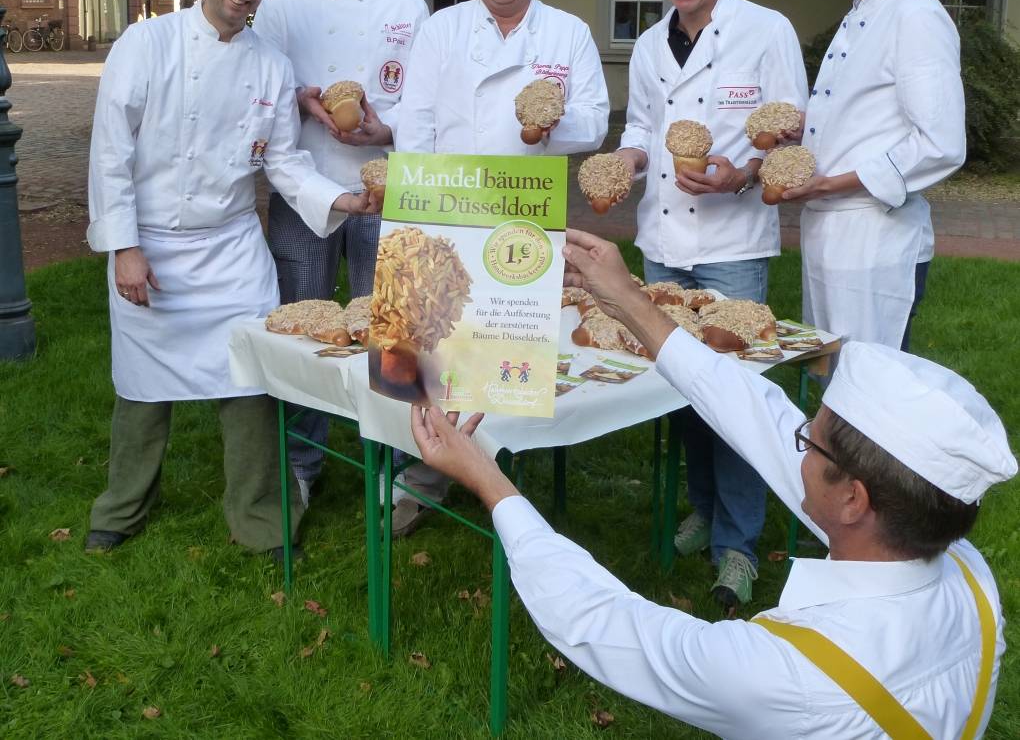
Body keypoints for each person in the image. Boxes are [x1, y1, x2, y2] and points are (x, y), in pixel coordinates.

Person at [409, 228, 1016, 739]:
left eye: (811, 437)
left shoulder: (787, 673)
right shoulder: (966, 573)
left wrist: (490, 482)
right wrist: (628, 299)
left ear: (855, 499)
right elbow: (759, 415)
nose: (794, 439)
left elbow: (603, 622)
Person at [85, 0, 376, 557]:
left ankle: (261, 520)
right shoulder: (147, 42)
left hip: (232, 250)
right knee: (141, 387)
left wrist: (343, 199)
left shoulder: (270, 66)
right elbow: (111, 151)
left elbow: (284, 162)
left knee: (248, 385)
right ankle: (122, 506)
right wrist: (124, 246)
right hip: (153, 244)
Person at [384, 0, 610, 535]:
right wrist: (417, 209)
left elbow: (594, 120)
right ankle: (420, 479)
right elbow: (416, 121)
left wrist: (547, 121)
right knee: (437, 348)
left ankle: (504, 477)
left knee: (512, 347)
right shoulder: (443, 29)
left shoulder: (567, 33)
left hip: (525, 215)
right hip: (449, 210)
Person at [615, 0, 808, 608]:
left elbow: (789, 126)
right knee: (684, 392)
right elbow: (642, 124)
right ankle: (703, 506)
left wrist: (743, 173)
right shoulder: (647, 44)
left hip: (732, 247)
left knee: (736, 399)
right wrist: (628, 159)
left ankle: (738, 545)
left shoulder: (766, 29)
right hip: (663, 241)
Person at [253, 0, 429, 504]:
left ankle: (391, 460)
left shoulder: (409, 7)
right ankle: (302, 459)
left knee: (388, 328)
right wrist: (304, 95)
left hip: (385, 183)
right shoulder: (282, 5)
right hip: (304, 181)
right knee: (304, 323)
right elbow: (264, 80)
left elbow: (422, 96)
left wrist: (391, 127)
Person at [782, 0, 966, 351]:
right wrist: (802, 130)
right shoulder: (864, 10)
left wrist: (829, 183)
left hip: (875, 240)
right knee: (833, 381)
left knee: (869, 392)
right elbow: (864, 113)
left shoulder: (917, 16)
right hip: (829, 233)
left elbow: (940, 144)